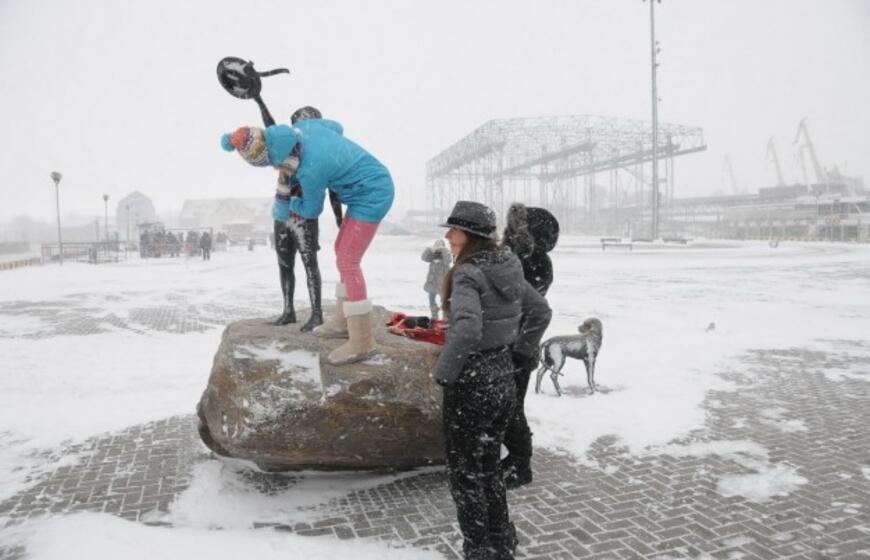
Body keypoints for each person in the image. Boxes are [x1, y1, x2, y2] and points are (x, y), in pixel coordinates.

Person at [222, 116, 394, 365]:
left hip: (373, 192)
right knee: (341, 251)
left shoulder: (310, 169)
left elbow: (311, 210)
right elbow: (337, 126)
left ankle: (362, 340)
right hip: (365, 186)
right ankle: (344, 321)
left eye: (270, 163)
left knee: (348, 259)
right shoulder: (304, 127)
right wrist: (338, 154)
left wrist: (292, 201)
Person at [435, 201, 551, 560]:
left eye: (452, 231)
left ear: (468, 235)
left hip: (472, 383)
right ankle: (502, 543)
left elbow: (467, 330)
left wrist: (444, 373)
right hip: (501, 378)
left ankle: (479, 550)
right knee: (488, 469)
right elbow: (540, 311)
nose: (447, 236)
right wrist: (518, 352)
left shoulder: (469, 273)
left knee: (467, 476)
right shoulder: (508, 263)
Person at [499, 203, 560, 488]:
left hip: (519, 349)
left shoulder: (535, 262)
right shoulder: (515, 257)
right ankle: (514, 457)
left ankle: (521, 464)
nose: (509, 231)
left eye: (517, 227)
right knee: (506, 406)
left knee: (512, 408)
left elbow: (533, 310)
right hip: (507, 344)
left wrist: (520, 351)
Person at [421, 239, 451, 320]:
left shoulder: (445, 260)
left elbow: (448, 260)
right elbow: (424, 258)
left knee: (444, 302)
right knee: (432, 301)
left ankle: (446, 318)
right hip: (432, 284)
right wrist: (429, 249)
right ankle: (434, 316)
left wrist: (443, 249)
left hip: (443, 286)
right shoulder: (432, 259)